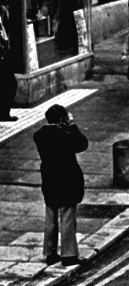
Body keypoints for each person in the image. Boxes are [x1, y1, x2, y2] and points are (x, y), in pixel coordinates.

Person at [35, 102, 89, 266]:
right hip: (67, 181)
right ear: (61, 120)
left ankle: (50, 253)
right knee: (67, 217)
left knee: (50, 217)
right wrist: (72, 125)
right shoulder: (66, 136)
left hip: (50, 180)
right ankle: (69, 255)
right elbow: (82, 144)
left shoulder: (39, 136)